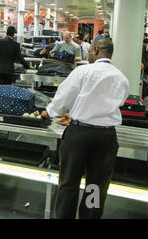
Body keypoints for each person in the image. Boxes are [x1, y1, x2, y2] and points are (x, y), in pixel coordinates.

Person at [41, 39, 129, 219]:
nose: (87, 54)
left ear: (96, 50)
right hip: (106, 137)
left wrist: (49, 112)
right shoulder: (121, 78)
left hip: (79, 135)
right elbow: (119, 102)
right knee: (96, 187)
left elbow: (63, 98)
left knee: (69, 183)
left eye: (90, 51)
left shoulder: (83, 71)